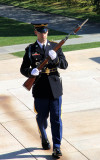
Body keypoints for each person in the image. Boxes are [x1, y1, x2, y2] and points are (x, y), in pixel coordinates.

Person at [20, 20, 68, 157]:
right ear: (35, 32)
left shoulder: (55, 47)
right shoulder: (30, 49)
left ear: (48, 32)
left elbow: (65, 65)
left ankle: (57, 147)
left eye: (45, 31)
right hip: (40, 88)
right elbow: (23, 68)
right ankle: (43, 135)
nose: (43, 34)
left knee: (56, 118)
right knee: (41, 118)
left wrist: (57, 59)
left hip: (54, 87)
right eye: (40, 32)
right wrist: (30, 72)